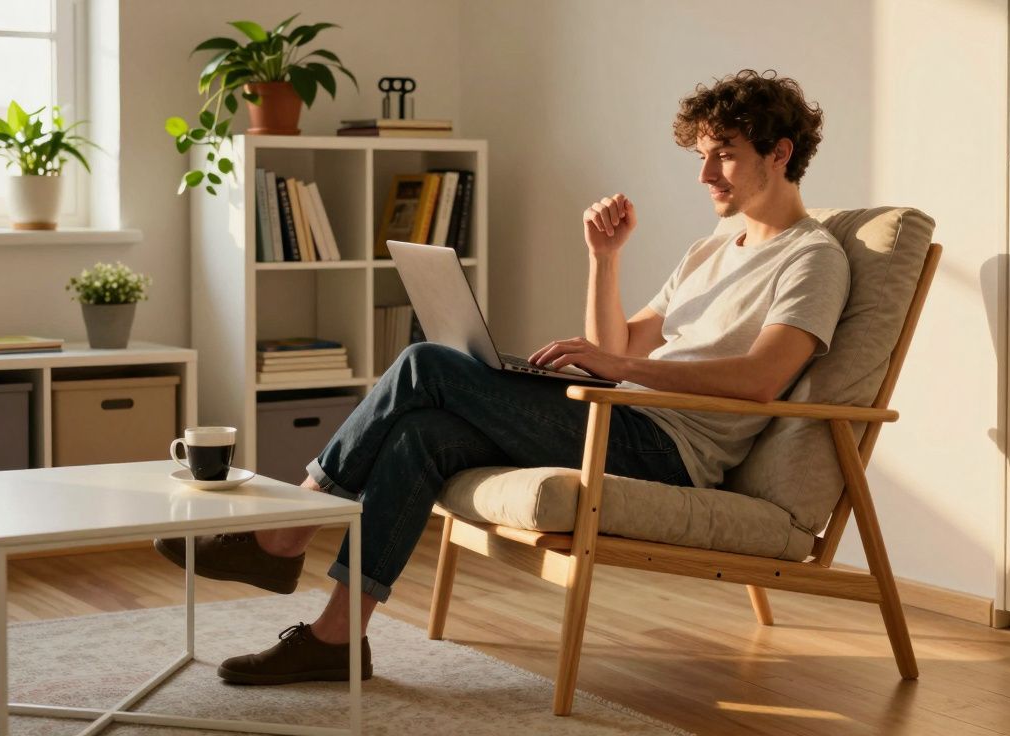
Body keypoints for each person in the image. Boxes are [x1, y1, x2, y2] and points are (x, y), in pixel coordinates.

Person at [155, 69, 850, 685]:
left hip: (671, 452)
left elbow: (763, 378)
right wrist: (602, 259)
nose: (706, 177)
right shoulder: (711, 248)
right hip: (623, 415)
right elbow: (617, 341)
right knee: (423, 433)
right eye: (702, 157)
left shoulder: (812, 258)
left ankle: (285, 534)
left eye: (723, 155)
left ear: (779, 153)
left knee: (427, 361)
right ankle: (336, 640)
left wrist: (620, 368)